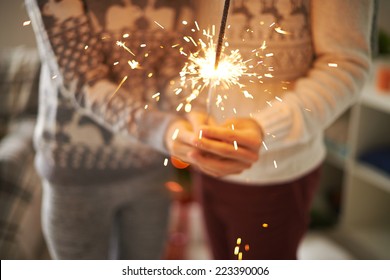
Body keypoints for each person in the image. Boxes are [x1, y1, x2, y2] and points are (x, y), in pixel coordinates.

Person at [170, 0, 373, 259]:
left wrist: (265, 126)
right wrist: (192, 113)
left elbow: (346, 64)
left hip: (277, 175)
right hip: (204, 166)